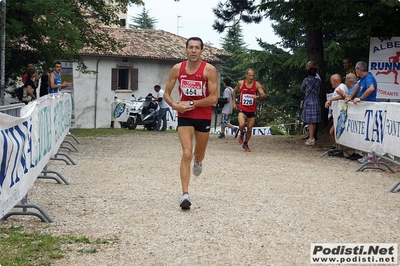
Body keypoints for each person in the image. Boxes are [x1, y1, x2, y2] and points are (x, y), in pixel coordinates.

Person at [163, 37, 218, 210]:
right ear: (186, 49)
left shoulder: (209, 70)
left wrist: (192, 103)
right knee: (186, 152)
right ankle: (185, 194)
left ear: (202, 50)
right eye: (191, 47)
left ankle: (199, 160)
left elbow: (214, 99)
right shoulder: (177, 69)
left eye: (197, 48)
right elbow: (167, 93)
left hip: (203, 116)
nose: (194, 51)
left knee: (198, 153)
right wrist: (175, 105)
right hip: (184, 116)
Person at [344, 61, 378, 163]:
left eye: (355, 69)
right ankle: (366, 154)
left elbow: (371, 88)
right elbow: (357, 87)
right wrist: (351, 97)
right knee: (364, 132)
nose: (355, 71)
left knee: (369, 132)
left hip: (369, 108)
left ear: (359, 69)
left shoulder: (368, 78)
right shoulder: (363, 79)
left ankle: (371, 156)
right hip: (364, 109)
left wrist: (361, 98)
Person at [232, 69, 267, 152]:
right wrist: (234, 102)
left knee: (250, 128)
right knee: (242, 124)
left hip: (252, 110)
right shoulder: (241, 83)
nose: (251, 77)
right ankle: (241, 133)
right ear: (246, 75)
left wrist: (258, 97)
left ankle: (246, 143)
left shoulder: (257, 84)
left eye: (253, 76)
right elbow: (234, 91)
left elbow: (264, 95)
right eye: (250, 75)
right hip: (242, 108)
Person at [324, 74, 348, 156]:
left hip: (340, 113)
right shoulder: (336, 89)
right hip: (336, 113)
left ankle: (338, 148)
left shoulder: (342, 86)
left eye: (331, 81)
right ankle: (337, 147)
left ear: (334, 81)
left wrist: (330, 99)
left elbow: (342, 96)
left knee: (333, 131)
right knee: (333, 132)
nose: (331, 83)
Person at [343, 73, 363, 160]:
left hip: (358, 112)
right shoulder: (352, 87)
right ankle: (356, 151)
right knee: (355, 132)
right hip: (354, 113)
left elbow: (352, 97)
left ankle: (360, 152)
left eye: (346, 79)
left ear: (349, 81)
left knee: (359, 132)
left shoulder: (355, 87)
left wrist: (343, 94)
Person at [300, 67, 321, 146]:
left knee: (309, 121)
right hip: (316, 100)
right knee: (314, 121)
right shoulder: (318, 81)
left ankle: (311, 138)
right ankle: (312, 137)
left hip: (309, 100)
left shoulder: (306, 80)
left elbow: (302, 88)